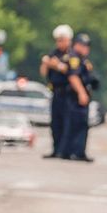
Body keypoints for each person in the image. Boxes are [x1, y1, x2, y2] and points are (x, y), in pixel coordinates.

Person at [57, 32, 95, 161]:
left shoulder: (84, 60)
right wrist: (81, 93)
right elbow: (73, 76)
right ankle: (70, 151)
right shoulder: (74, 58)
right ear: (77, 45)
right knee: (73, 124)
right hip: (74, 97)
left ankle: (79, 151)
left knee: (82, 125)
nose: (86, 48)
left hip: (81, 95)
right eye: (83, 45)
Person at [40, 25, 73, 158]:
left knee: (66, 122)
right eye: (58, 40)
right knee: (56, 123)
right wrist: (45, 63)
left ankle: (64, 150)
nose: (59, 43)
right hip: (56, 92)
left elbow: (68, 70)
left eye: (62, 40)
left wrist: (56, 65)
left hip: (68, 92)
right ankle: (56, 148)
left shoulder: (72, 54)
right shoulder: (53, 53)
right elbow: (43, 72)